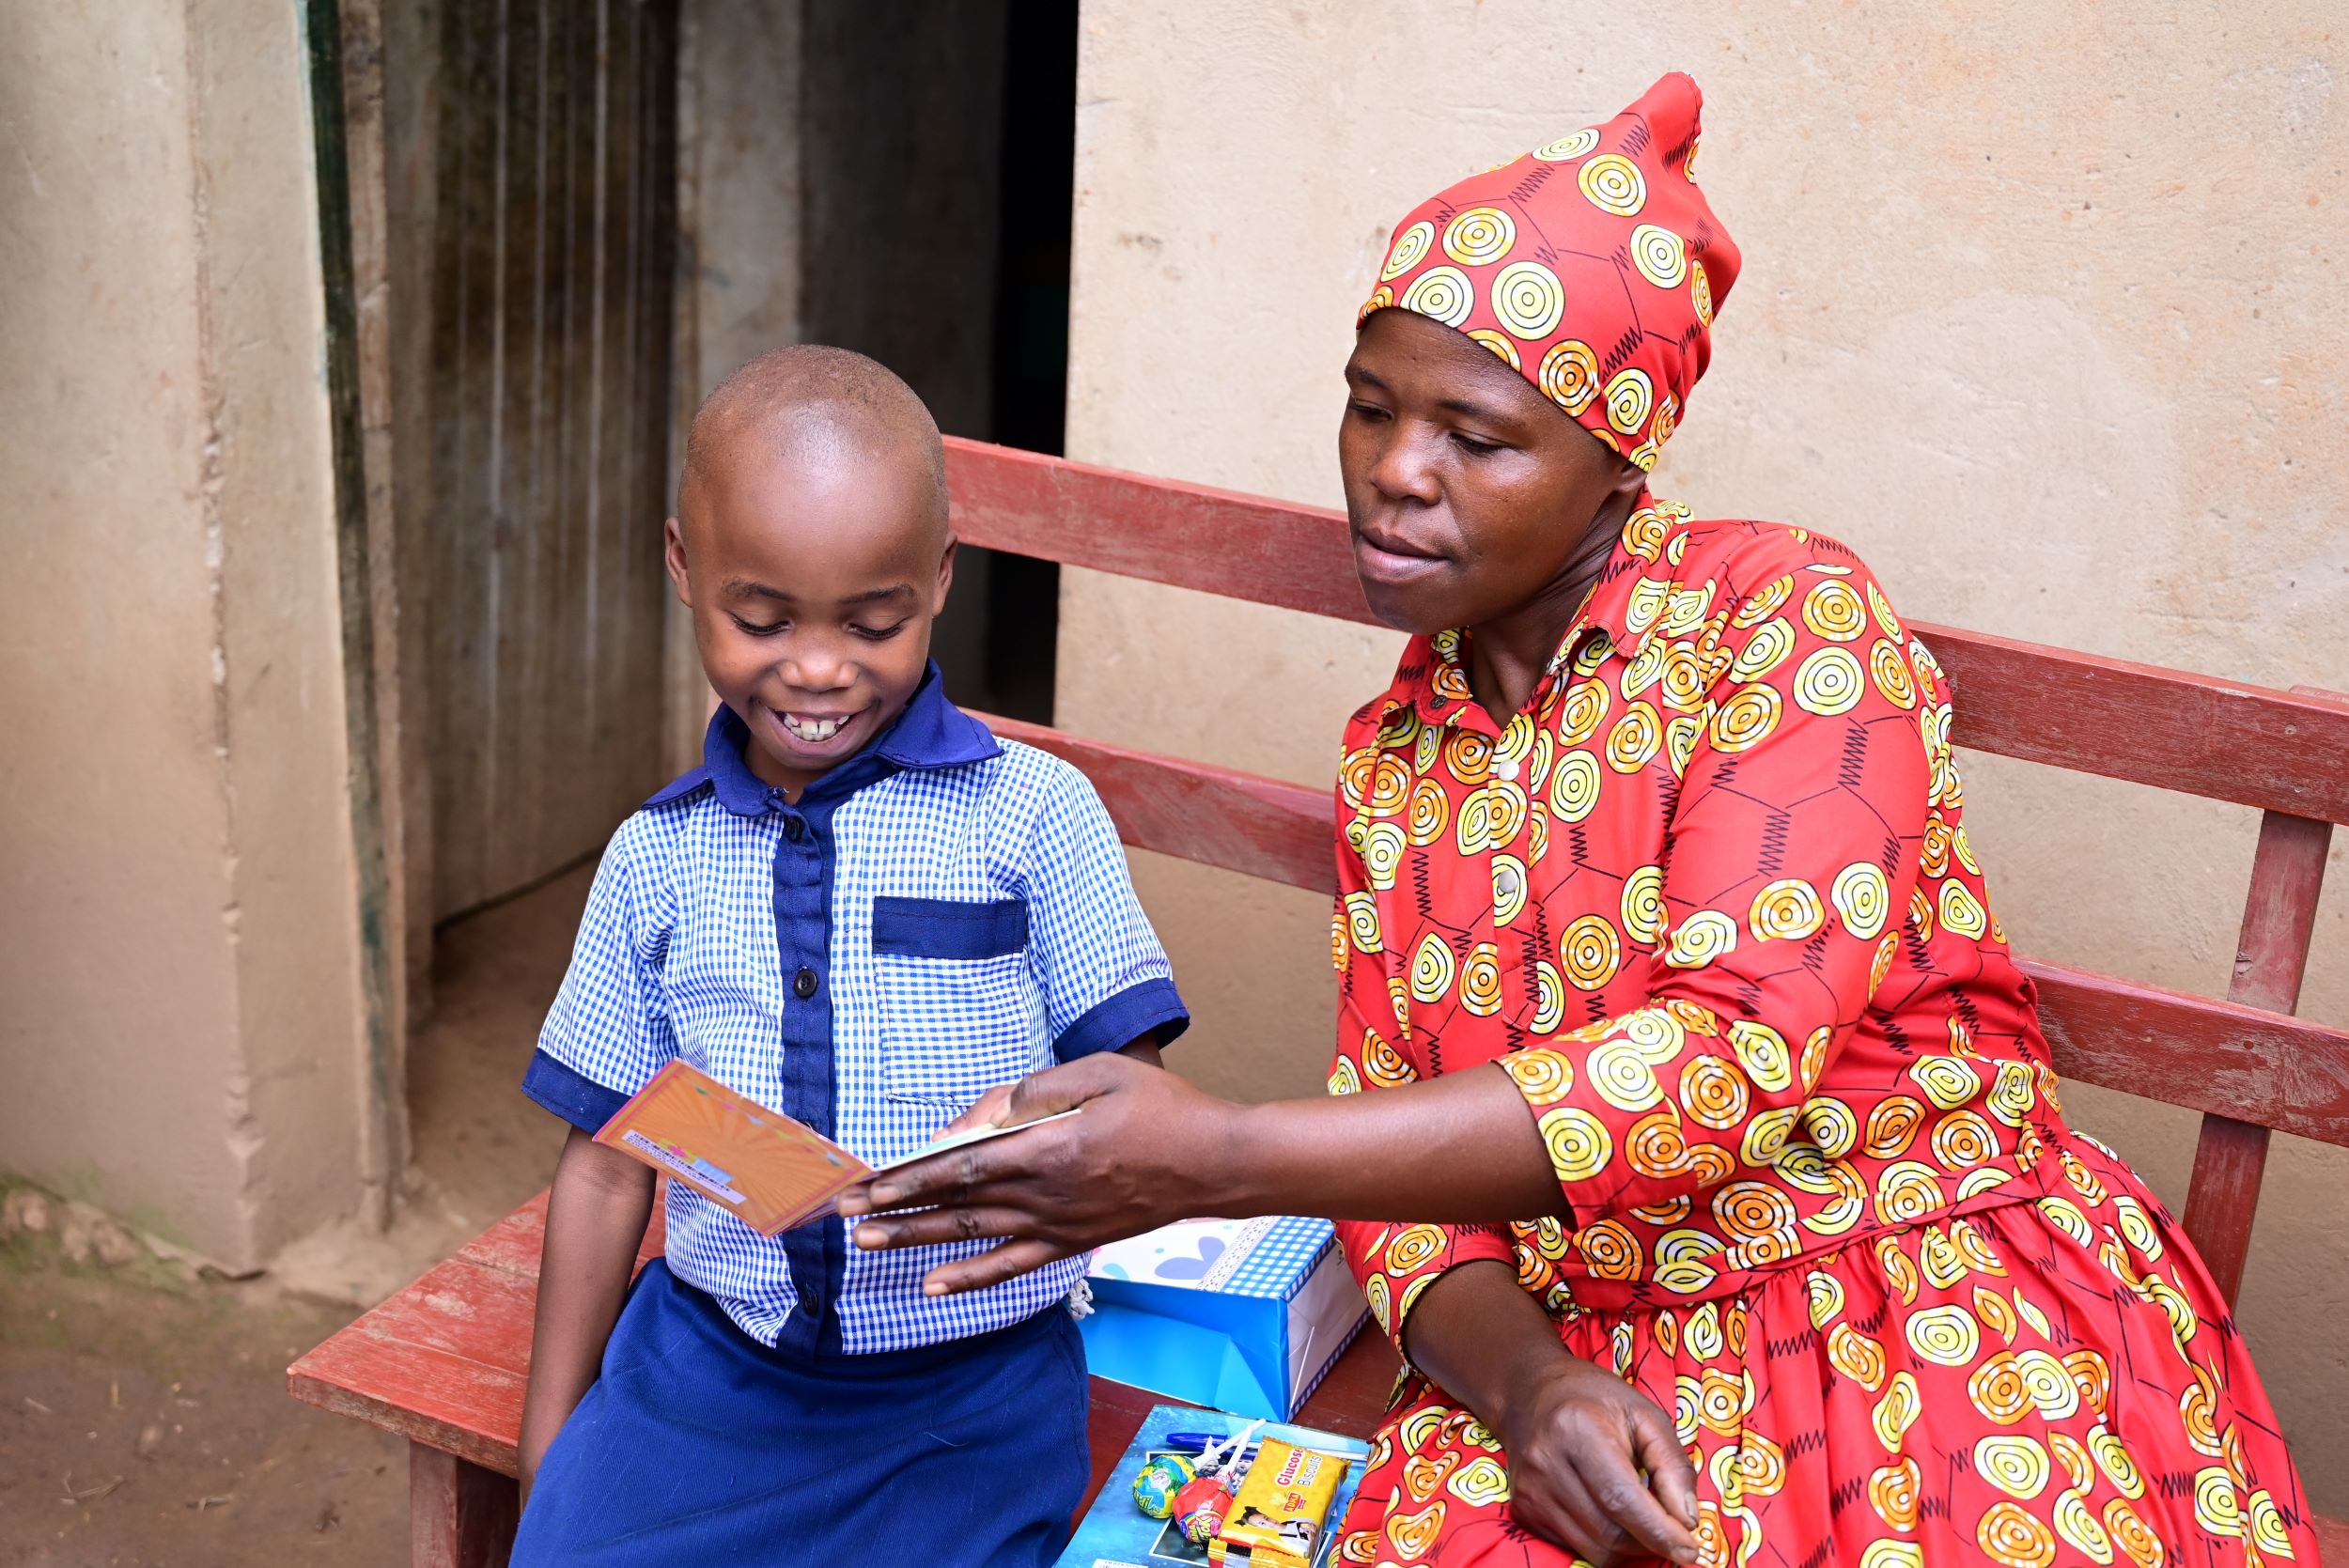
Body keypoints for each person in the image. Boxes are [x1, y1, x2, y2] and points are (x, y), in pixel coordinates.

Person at [839, 76, 2321, 1568]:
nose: (1396, 471)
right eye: (1371, 406)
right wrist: (1531, 1381)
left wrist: (1217, 1152)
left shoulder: (1785, 620)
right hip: (1576, 1347)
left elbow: (1726, 1054)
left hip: (1907, 1297)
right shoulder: (1401, 755)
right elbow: (1400, 1187)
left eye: (1476, 437)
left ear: (1620, 460)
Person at [509, 346, 1190, 1566]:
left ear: (938, 580)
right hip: (711, 1371)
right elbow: (608, 1163)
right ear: (683, 566)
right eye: (760, 617)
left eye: (874, 622)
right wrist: (550, 1453)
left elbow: (1130, 1090)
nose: (820, 668)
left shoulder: (1031, 815)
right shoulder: (654, 857)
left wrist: (1042, 1121)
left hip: (968, 1390)